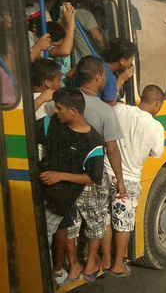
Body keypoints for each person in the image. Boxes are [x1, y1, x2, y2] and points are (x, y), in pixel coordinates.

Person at [45, 56, 126, 280]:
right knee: (96, 223)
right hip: (91, 176)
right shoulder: (105, 111)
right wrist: (119, 180)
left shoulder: (59, 102)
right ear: (99, 77)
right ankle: (90, 264)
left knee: (69, 224)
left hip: (65, 176)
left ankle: (73, 265)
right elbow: (111, 149)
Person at [37, 87, 105, 284]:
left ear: (73, 111)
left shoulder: (94, 141)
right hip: (40, 192)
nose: (55, 111)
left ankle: (44, 280)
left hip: (60, 199)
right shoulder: (53, 124)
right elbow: (21, 126)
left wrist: (60, 176)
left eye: (59, 108)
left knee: (43, 238)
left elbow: (93, 177)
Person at [107, 85, 165, 276]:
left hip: (106, 173)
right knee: (124, 224)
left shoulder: (119, 109)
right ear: (157, 104)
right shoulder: (156, 127)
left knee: (104, 219)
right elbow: (156, 153)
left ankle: (105, 258)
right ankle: (117, 265)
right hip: (128, 180)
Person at [101, 38, 136, 105]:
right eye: (131, 59)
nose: (132, 62)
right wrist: (120, 80)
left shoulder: (97, 61)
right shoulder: (108, 76)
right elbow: (110, 105)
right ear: (122, 61)